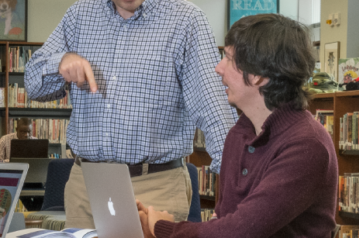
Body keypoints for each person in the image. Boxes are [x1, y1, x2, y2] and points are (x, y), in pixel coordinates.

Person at [23, 0, 238, 228]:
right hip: (86, 185)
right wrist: (61, 62)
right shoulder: (79, 16)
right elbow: (33, 84)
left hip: (156, 185)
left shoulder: (186, 22)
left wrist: (235, 197)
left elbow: (216, 111)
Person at [138, 14, 338, 238]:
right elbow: (225, 220)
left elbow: (237, 232)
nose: (218, 68)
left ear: (259, 75)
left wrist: (161, 228)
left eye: (229, 58)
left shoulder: (307, 146)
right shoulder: (239, 134)